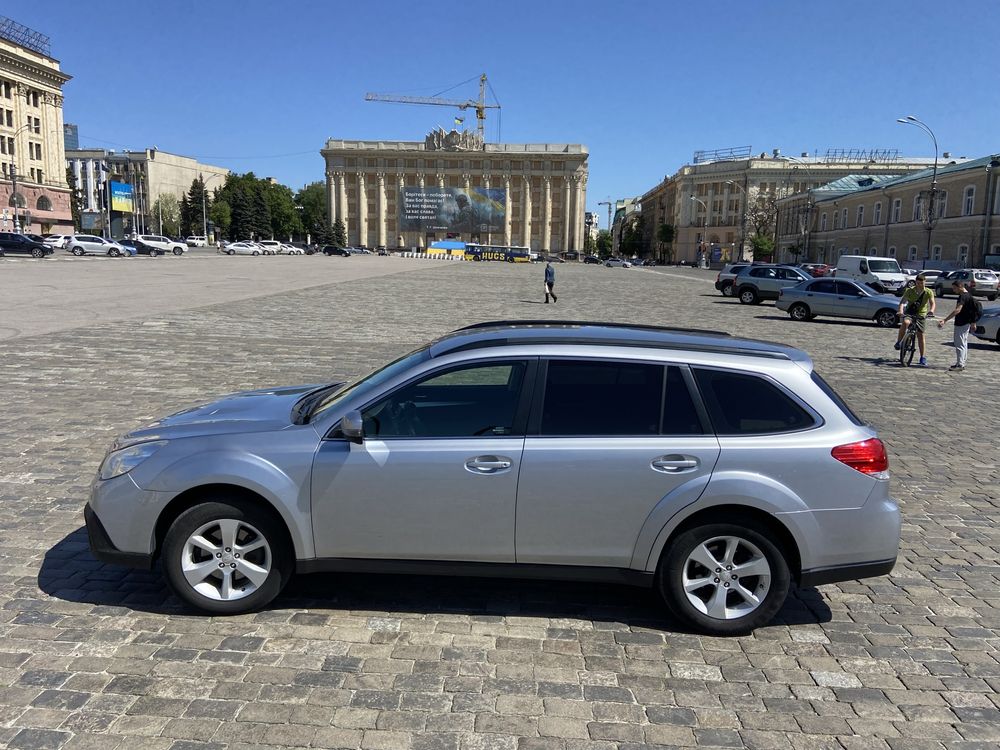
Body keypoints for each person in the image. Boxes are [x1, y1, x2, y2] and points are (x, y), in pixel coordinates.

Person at [894, 274, 935, 366]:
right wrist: (900, 311)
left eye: (921, 283)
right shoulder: (910, 290)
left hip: (921, 314)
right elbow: (902, 302)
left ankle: (922, 357)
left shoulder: (928, 292)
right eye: (918, 283)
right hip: (910, 312)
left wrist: (931, 311)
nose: (919, 285)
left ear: (925, 282)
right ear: (915, 282)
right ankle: (899, 342)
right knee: (905, 322)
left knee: (921, 335)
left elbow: (932, 303)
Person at [937, 279, 975, 371]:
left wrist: (945, 320)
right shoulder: (969, 295)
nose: (954, 290)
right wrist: (973, 322)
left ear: (960, 287)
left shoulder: (962, 297)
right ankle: (961, 362)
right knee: (964, 343)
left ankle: (960, 365)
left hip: (961, 323)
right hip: (966, 322)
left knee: (959, 344)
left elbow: (958, 310)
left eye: (955, 288)